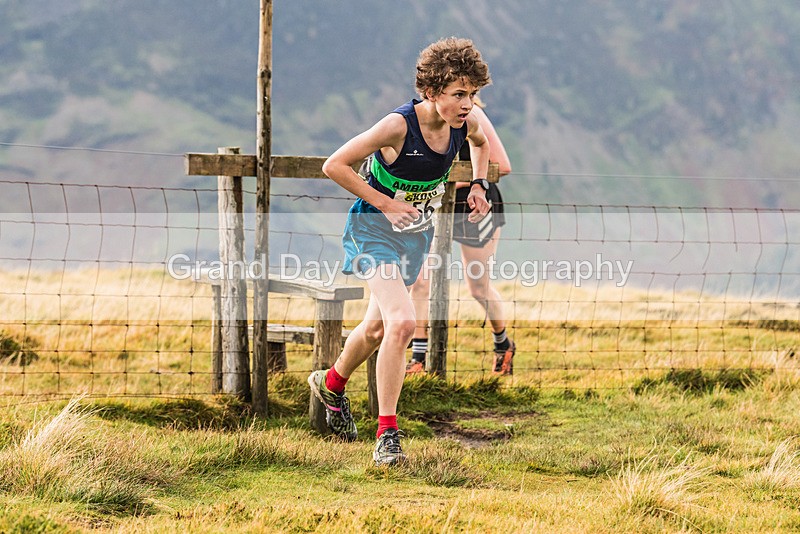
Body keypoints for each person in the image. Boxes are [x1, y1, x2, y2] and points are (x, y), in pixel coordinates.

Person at [308, 37, 492, 466]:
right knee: (404, 321)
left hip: (415, 237)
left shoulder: (466, 124)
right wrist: (386, 203)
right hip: (372, 230)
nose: (468, 104)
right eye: (458, 95)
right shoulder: (397, 126)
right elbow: (334, 165)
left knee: (376, 330)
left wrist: (480, 185)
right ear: (432, 92)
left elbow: (482, 146)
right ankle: (387, 436)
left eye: (473, 94)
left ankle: (330, 383)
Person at [406, 97, 515, 376]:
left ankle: (503, 343)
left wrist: (454, 180)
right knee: (419, 280)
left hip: (474, 206)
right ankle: (419, 357)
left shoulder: (474, 114)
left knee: (477, 287)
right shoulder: (420, 116)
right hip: (435, 205)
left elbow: (502, 165)